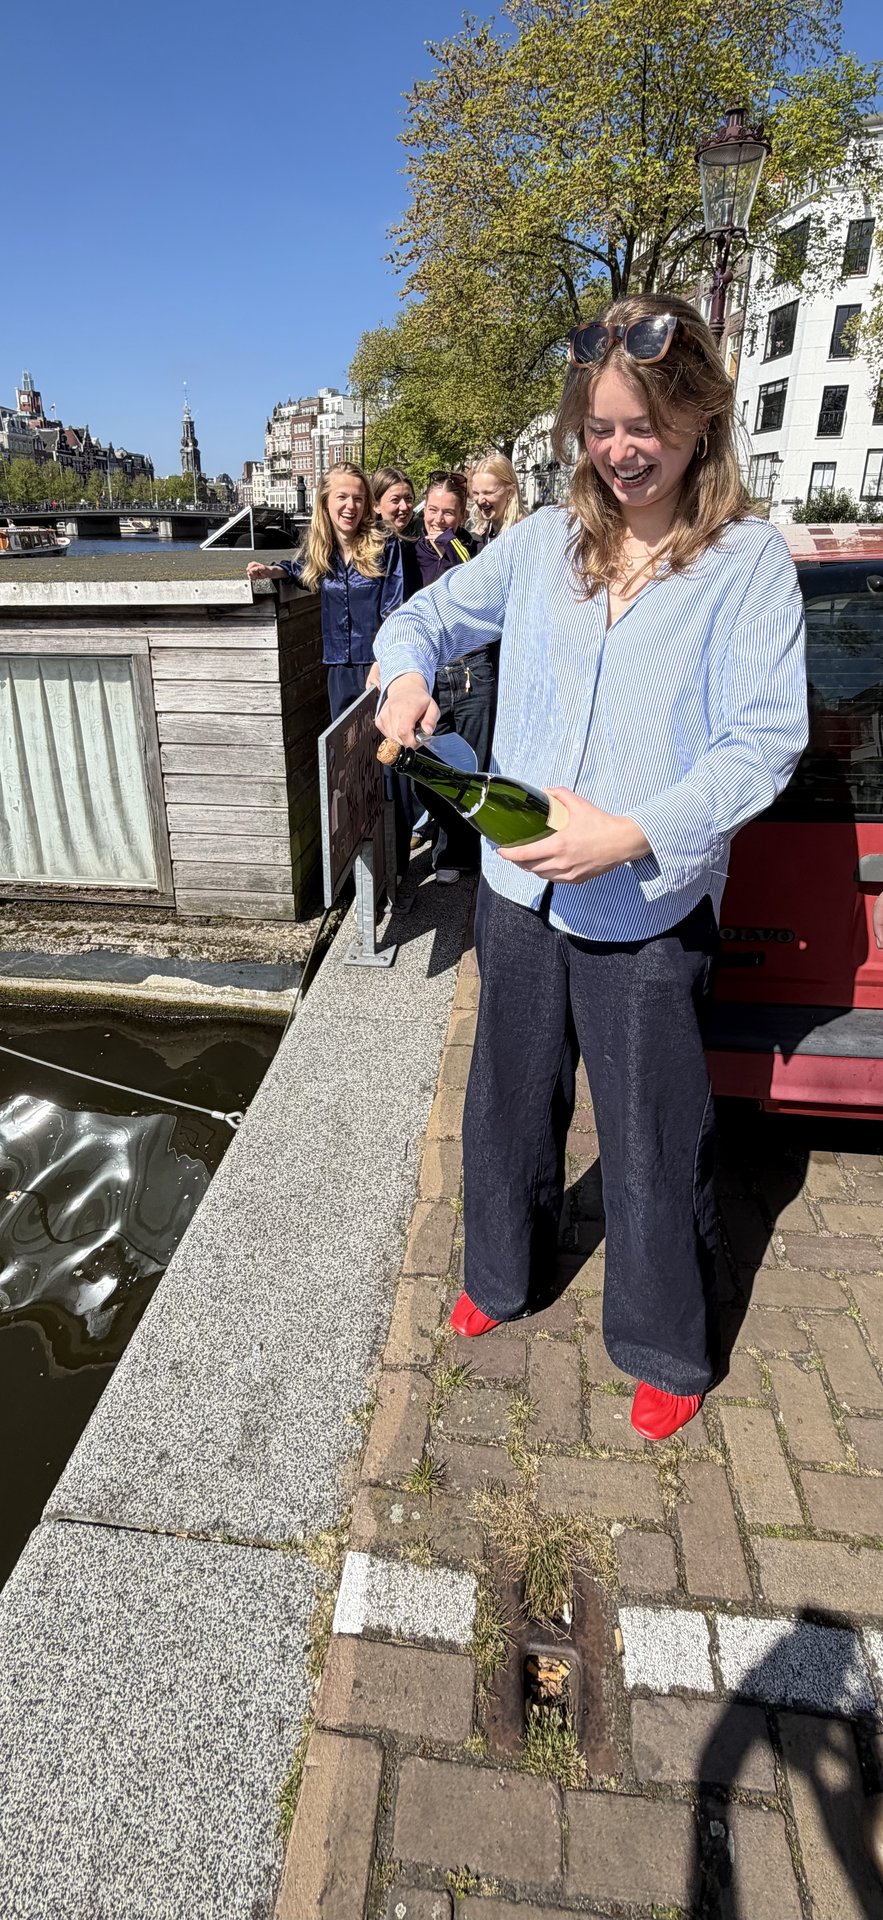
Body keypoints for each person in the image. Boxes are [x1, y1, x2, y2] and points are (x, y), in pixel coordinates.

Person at [375, 293, 808, 1443]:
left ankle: (664, 1339)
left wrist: (630, 832)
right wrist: (406, 678)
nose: (623, 450)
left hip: (648, 901)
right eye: (604, 426)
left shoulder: (745, 563)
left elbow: (761, 742)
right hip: (518, 887)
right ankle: (501, 1274)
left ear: (702, 419)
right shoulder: (538, 546)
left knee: (654, 1128)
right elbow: (417, 621)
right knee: (507, 1098)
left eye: (648, 427)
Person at [247, 463, 402, 722]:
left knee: (384, 748)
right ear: (325, 502)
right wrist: (274, 571)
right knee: (345, 750)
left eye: (358, 498)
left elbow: (394, 608)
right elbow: (302, 571)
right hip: (338, 665)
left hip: (378, 663)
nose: (350, 506)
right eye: (342, 497)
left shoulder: (385, 544)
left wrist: (383, 660)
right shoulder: (321, 550)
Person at [468, 452, 527, 548]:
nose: (480, 500)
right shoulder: (480, 533)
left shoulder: (524, 534)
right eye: (476, 493)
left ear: (510, 492)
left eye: (488, 493)